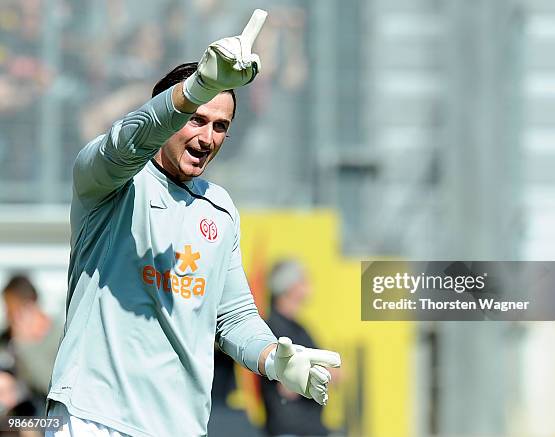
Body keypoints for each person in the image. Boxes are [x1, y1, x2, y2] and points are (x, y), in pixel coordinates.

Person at [45, 11, 340, 437]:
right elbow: (128, 140)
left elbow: (234, 317)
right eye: (196, 119)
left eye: (221, 126)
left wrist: (275, 358)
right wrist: (198, 87)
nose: (208, 137)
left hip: (179, 426)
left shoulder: (218, 208)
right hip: (94, 417)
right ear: (168, 114)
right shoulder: (111, 181)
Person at [261, 260, 340, 437]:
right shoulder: (273, 329)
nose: (309, 286)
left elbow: (336, 370)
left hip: (312, 428)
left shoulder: (301, 329)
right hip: (288, 429)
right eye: (303, 280)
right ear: (289, 287)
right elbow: (287, 386)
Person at [1, 275, 63, 414]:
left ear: (29, 307)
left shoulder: (58, 338)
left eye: (11, 310)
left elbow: (50, 386)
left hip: (46, 421)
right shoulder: (5, 337)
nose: (8, 316)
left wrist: (24, 345)